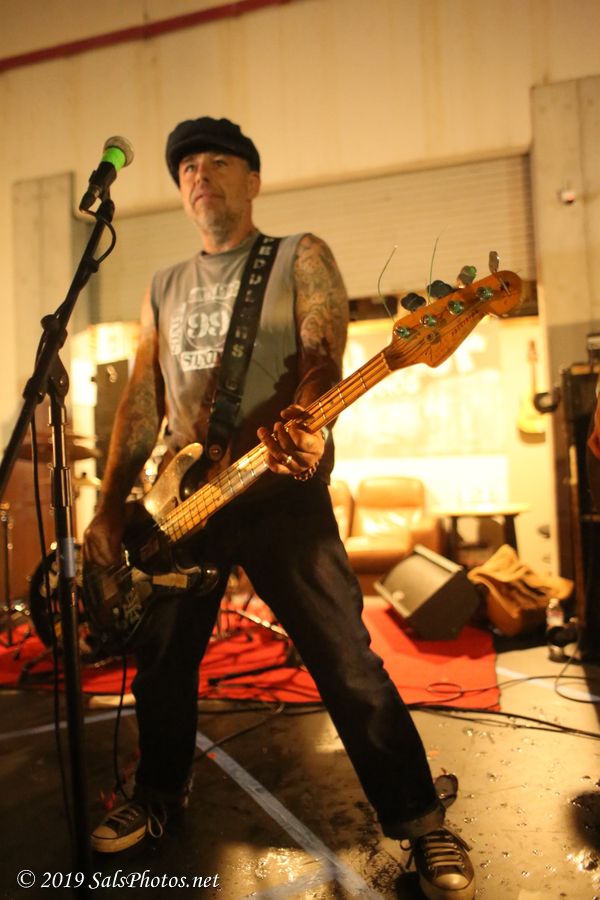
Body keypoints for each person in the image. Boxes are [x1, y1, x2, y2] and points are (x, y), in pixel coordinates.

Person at [83, 116, 475, 899]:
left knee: (346, 660)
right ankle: (158, 795)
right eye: (187, 168)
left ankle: (420, 819)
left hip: (279, 491)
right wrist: (110, 504)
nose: (200, 176)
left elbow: (323, 354)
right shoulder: (163, 284)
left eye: (218, 162)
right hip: (183, 505)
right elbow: (143, 399)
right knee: (162, 663)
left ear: (253, 180)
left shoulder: (300, 254)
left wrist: (310, 416)